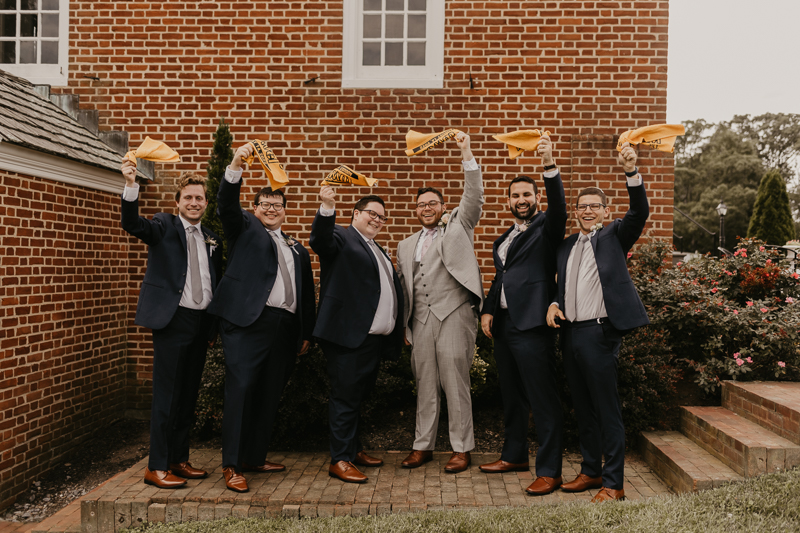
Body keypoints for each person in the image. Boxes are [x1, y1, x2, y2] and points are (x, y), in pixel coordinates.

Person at [206, 143, 316, 493]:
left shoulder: (296, 247)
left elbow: (306, 292)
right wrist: (236, 165)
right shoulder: (244, 230)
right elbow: (225, 203)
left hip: (284, 328)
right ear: (254, 210)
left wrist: (305, 332)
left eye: (278, 205)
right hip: (248, 324)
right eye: (265, 204)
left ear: (285, 211)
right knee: (240, 391)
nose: (272, 209)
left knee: (269, 393)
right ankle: (232, 464)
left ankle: (254, 456)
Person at [546, 141, 649, 503]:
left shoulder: (614, 235)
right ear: (575, 212)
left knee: (606, 409)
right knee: (583, 407)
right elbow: (565, 286)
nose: (587, 211)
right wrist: (555, 302)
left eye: (594, 206)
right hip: (570, 333)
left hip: (600, 333)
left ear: (605, 211)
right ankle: (590, 472)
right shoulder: (565, 246)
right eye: (582, 207)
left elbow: (639, 211)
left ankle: (613, 483)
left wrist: (631, 172)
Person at [120, 160, 222, 489]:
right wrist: (131, 184)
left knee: (188, 395)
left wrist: (212, 326)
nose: (194, 203)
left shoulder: (211, 238)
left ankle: (179, 459)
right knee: (167, 396)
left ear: (206, 203)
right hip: (172, 320)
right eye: (188, 197)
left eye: (200, 198)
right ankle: (157, 465)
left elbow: (213, 280)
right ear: (177, 201)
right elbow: (133, 224)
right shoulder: (164, 225)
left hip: (200, 321)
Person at [478, 135, 568, 496]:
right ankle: (514, 455)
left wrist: (548, 165)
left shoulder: (548, 228)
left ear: (536, 198)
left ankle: (550, 470)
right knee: (512, 395)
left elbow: (560, 206)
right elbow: (501, 277)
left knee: (543, 399)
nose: (521, 201)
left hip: (533, 326)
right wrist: (487, 310)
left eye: (527, 195)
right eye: (515, 196)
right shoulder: (503, 239)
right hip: (503, 328)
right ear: (508, 201)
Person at [395, 132, 484, 474]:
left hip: (453, 315)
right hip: (420, 320)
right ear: (415, 210)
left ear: (443, 206)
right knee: (425, 385)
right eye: (421, 204)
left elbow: (473, 195)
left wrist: (466, 154)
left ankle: (462, 448)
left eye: (433, 203)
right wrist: (406, 324)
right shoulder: (405, 244)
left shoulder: (459, 226)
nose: (427, 208)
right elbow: (406, 287)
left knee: (455, 383)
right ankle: (423, 446)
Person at [310, 188, 404, 483]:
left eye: (382, 217)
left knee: (358, 397)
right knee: (345, 397)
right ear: (356, 214)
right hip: (347, 336)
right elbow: (320, 241)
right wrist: (327, 207)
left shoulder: (377, 248)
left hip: (372, 341)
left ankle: (352, 449)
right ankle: (339, 459)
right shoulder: (341, 236)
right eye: (372, 214)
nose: (377, 219)